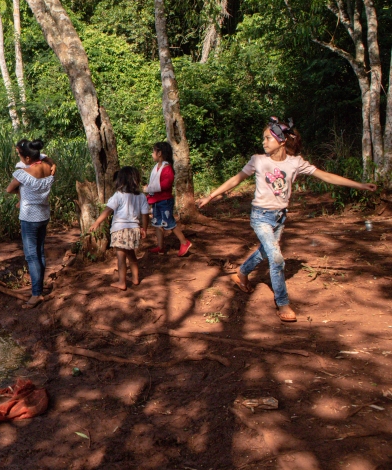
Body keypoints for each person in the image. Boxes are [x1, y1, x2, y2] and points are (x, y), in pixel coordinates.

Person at [196, 117, 376, 322]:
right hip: (260, 217)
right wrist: (210, 196)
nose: (263, 142)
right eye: (263, 138)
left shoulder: (295, 163)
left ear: (281, 141)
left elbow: (325, 176)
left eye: (267, 138)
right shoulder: (258, 160)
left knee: (265, 251)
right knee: (277, 258)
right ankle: (282, 303)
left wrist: (359, 185)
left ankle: (242, 273)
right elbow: (236, 180)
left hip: (280, 217)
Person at [7, 139, 56, 308]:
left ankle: (36, 294)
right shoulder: (49, 169)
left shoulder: (22, 174)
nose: (19, 159)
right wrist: (51, 161)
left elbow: (9, 189)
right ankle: (39, 289)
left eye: (20, 156)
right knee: (40, 252)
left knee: (31, 256)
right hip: (43, 215)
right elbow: (43, 157)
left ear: (27, 158)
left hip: (29, 218)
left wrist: (20, 197)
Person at [91, 166, 150, 291]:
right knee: (132, 255)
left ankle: (121, 282)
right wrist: (144, 228)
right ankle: (135, 278)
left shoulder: (118, 195)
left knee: (121, 257)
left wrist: (97, 222)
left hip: (119, 229)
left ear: (120, 180)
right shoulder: (141, 196)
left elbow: (108, 210)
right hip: (134, 229)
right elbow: (145, 215)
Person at [145, 141, 192, 256]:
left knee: (169, 222)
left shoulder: (167, 168)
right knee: (157, 223)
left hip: (165, 201)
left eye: (153, 151)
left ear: (159, 153)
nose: (152, 154)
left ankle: (184, 242)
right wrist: (149, 193)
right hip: (156, 200)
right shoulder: (157, 167)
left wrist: (149, 188)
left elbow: (166, 185)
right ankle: (160, 247)